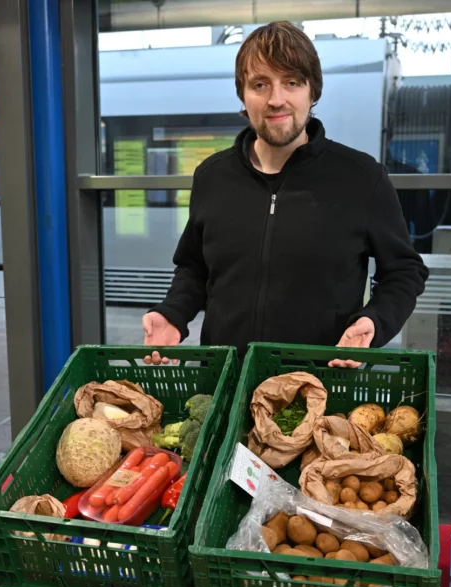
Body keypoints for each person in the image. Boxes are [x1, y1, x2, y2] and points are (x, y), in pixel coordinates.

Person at [143, 22, 428, 367]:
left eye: (291, 82)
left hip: (320, 392)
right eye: (260, 84)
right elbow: (193, 268)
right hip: (226, 384)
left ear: (313, 92)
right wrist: (173, 313)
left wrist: (374, 321)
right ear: (243, 96)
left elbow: (404, 272)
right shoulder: (212, 176)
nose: (276, 99)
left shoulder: (361, 177)